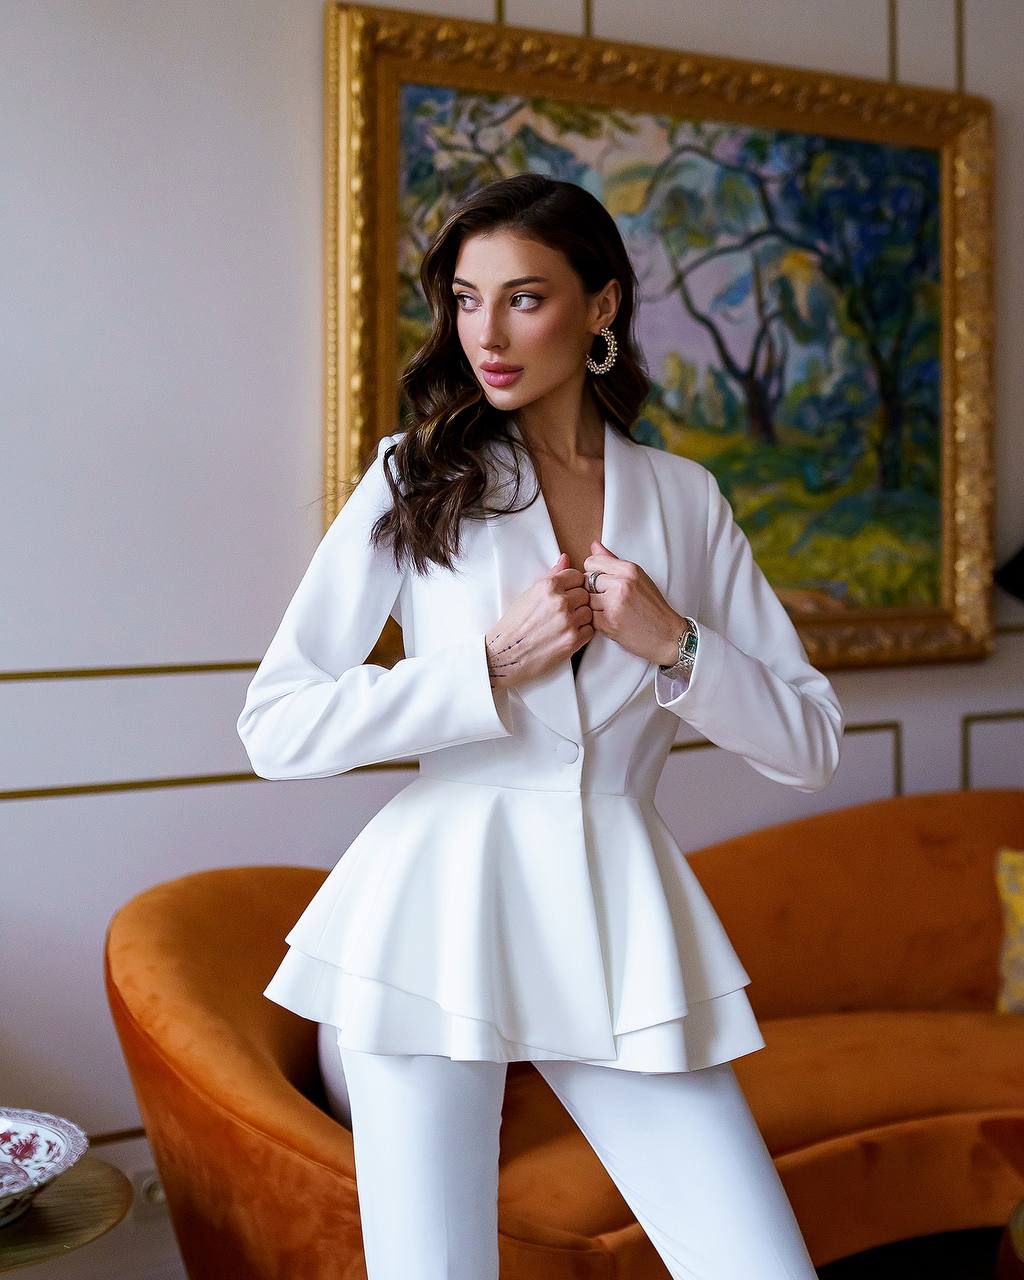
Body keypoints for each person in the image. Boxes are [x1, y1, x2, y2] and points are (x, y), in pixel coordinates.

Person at [236, 173, 844, 1279]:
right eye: (466, 300)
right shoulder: (414, 476)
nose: (487, 332)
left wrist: (678, 647)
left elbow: (807, 742)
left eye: (523, 297)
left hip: (619, 923)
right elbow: (275, 723)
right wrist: (482, 668)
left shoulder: (687, 499)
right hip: (430, 922)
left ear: (600, 306)